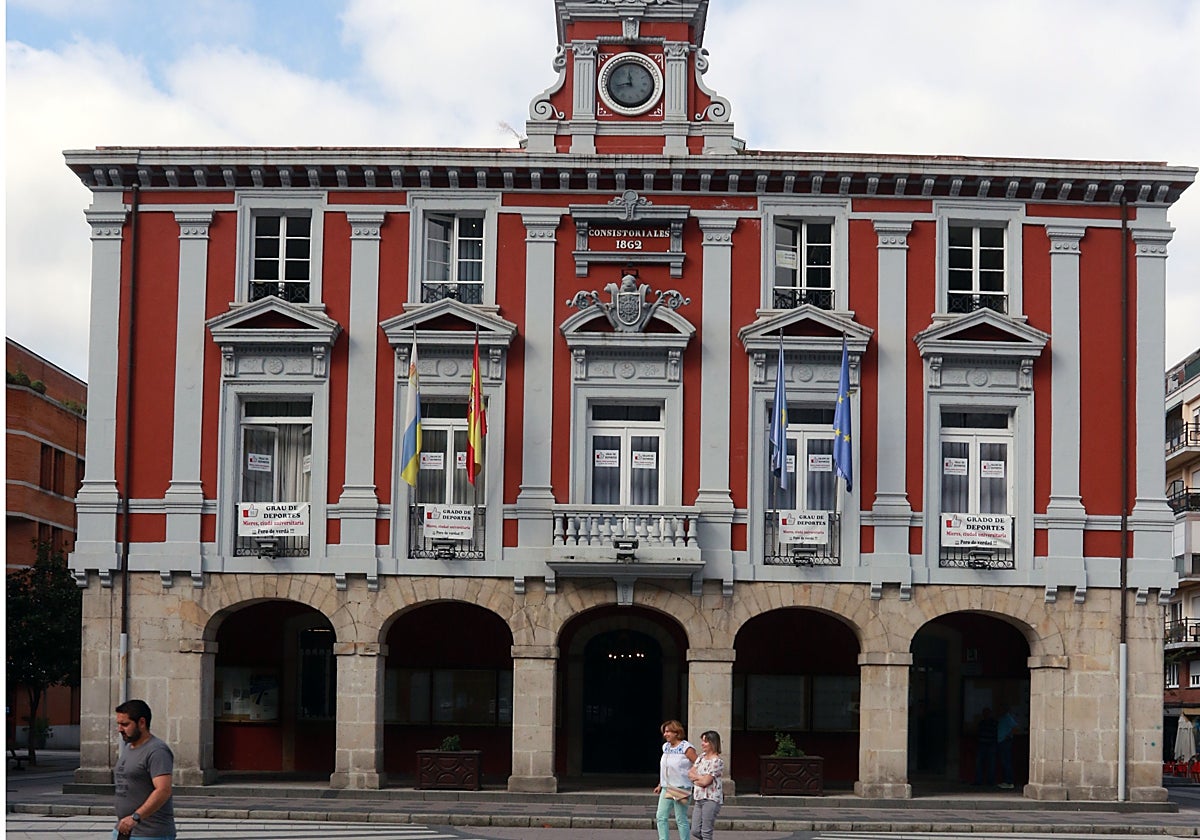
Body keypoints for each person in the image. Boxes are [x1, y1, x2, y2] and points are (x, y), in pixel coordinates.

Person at [113, 699, 176, 839]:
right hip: (124, 830)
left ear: (142, 723)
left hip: (150, 834)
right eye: (118, 724)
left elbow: (163, 790)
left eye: (125, 724)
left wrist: (135, 817)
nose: (119, 729)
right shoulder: (129, 747)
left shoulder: (157, 751)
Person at [653, 720, 697, 840]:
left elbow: (698, 763)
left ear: (676, 733)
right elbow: (665, 768)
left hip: (681, 787)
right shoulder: (666, 747)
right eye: (664, 732)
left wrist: (692, 776)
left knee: (680, 818)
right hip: (667, 787)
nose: (665, 734)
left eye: (668, 732)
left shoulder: (686, 747)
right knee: (661, 816)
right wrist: (660, 784)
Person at [687, 730, 724, 840]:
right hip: (699, 797)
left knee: (706, 832)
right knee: (695, 830)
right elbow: (690, 773)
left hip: (711, 799)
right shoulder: (701, 757)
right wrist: (699, 778)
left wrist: (698, 778)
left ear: (713, 743)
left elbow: (706, 782)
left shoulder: (717, 761)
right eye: (702, 741)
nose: (702, 744)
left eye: (706, 742)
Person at [996, 704, 1019, 790]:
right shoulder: (1003, 718)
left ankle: (1009, 782)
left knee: (1006, 762)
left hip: (1005, 742)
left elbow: (1016, 727)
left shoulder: (1008, 718)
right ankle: (1006, 781)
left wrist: (1008, 735)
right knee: (1004, 762)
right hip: (1001, 742)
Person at [973, 707, 998, 785]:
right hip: (982, 744)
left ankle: (990, 781)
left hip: (991, 745)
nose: (986, 715)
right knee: (979, 763)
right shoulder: (981, 723)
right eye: (984, 713)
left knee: (991, 763)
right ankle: (979, 780)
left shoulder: (994, 723)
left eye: (987, 713)